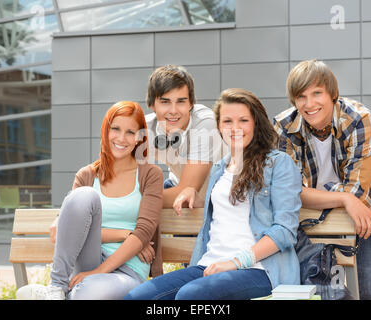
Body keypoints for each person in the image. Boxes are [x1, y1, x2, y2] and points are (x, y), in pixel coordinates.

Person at [124, 88, 302, 300]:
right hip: (209, 265)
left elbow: (285, 230)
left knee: (191, 297)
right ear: (218, 126)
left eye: (243, 120)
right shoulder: (219, 168)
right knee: (137, 298)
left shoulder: (278, 163)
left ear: (256, 122)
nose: (235, 128)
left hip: (261, 270)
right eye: (227, 121)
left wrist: (235, 262)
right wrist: (193, 193)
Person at [16, 101, 163, 300]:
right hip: (87, 261)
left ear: (139, 137)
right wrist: (126, 234)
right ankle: (57, 288)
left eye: (130, 132)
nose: (121, 138)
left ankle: (57, 295)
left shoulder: (150, 174)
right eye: (116, 129)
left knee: (86, 294)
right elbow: (61, 231)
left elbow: (144, 232)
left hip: (128, 270)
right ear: (106, 130)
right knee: (85, 195)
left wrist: (98, 272)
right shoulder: (86, 175)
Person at [273, 59, 371, 300]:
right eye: (301, 96)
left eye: (317, 93)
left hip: (362, 214)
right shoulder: (283, 127)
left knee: (367, 288)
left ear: (332, 94)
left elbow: (357, 189)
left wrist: (342, 198)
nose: (309, 104)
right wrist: (343, 198)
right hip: (308, 220)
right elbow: (290, 190)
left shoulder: (358, 119)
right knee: (321, 289)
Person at [145, 65, 225, 209]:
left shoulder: (205, 124)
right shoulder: (145, 128)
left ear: (191, 103)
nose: (173, 111)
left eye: (181, 101)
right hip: (176, 185)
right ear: (152, 104)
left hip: (217, 196)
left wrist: (130, 202)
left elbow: (186, 192)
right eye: (165, 102)